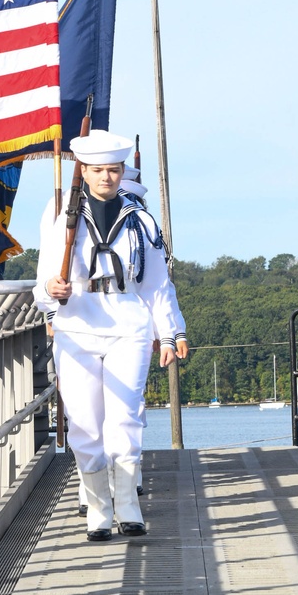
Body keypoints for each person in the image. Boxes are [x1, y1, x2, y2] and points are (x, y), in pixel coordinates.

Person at [35, 130, 187, 540]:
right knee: (83, 422)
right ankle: (97, 509)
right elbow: (41, 283)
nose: (107, 176)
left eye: (114, 170)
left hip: (127, 321)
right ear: (82, 171)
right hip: (77, 324)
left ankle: (129, 506)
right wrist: (52, 292)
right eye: (98, 169)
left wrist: (171, 332)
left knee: (125, 416)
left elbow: (156, 283)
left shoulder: (140, 221)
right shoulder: (62, 218)